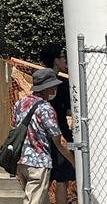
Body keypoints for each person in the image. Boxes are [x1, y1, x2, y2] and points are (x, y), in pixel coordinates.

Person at [11, 68, 75, 204]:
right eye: (54, 86)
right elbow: (58, 140)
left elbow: (14, 128)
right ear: (48, 88)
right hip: (38, 163)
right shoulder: (46, 108)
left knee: (41, 199)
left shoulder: (20, 104)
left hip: (21, 160)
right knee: (33, 201)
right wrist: (73, 161)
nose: (55, 89)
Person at [39, 43, 76, 204]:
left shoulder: (38, 81)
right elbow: (69, 111)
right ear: (55, 60)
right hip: (60, 134)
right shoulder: (62, 84)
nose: (65, 60)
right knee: (62, 179)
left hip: (40, 137)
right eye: (62, 57)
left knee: (44, 181)